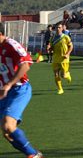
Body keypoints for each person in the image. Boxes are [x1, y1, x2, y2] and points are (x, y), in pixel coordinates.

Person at [0, 23, 44, 158]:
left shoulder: (11, 44)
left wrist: (8, 84)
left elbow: (25, 65)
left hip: (19, 89)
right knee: (7, 133)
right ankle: (34, 153)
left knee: (8, 125)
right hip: (3, 93)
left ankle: (33, 155)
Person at [50, 22, 73, 95]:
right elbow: (51, 48)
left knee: (63, 75)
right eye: (56, 27)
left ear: (62, 28)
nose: (57, 29)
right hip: (55, 58)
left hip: (64, 58)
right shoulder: (52, 38)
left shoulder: (66, 37)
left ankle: (67, 74)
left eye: (59, 27)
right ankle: (60, 89)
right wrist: (49, 49)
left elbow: (71, 46)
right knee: (56, 74)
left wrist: (67, 54)